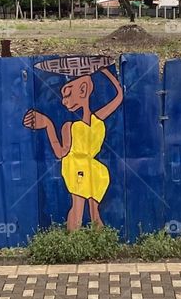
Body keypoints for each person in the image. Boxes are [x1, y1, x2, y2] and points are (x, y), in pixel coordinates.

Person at [24, 65, 124, 230]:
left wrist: (103, 69)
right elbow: (61, 153)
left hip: (93, 169)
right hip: (76, 167)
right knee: (82, 209)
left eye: (68, 93)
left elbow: (118, 97)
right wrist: (48, 125)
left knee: (89, 210)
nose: (64, 100)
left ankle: (86, 242)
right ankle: (81, 241)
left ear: (84, 90)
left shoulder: (93, 119)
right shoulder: (72, 126)